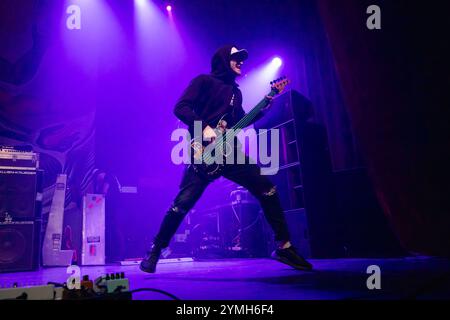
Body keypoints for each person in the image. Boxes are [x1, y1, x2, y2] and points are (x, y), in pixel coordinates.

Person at [140, 45, 313, 273]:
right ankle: (155, 250)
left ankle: (284, 246)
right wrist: (203, 128)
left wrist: (264, 105)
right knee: (182, 204)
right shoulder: (204, 81)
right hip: (204, 152)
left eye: (242, 58)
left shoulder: (236, 92)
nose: (241, 61)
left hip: (231, 152)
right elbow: (180, 107)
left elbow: (240, 121)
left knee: (267, 189)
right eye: (236, 58)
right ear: (223, 60)